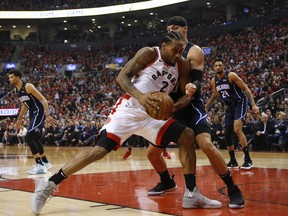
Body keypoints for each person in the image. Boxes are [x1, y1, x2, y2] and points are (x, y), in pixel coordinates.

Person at [30, 31, 222, 215]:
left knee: (186, 135)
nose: (178, 54)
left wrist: (174, 106)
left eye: (181, 50)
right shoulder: (150, 53)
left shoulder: (182, 65)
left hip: (153, 116)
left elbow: (185, 98)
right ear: (164, 46)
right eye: (175, 49)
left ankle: (191, 193)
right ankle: (49, 184)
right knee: (98, 151)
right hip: (130, 109)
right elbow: (121, 77)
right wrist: (141, 97)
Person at [150, 16, 243, 209]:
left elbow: (198, 79)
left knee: (206, 145)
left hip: (191, 105)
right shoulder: (162, 51)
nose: (171, 30)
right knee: (152, 154)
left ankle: (233, 188)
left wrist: (194, 86)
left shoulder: (194, 50)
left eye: (175, 27)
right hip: (171, 108)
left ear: (185, 29)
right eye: (168, 28)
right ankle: (167, 181)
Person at [205, 58, 260, 169]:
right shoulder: (213, 80)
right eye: (216, 65)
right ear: (213, 68)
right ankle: (233, 161)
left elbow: (246, 88)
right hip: (229, 106)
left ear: (224, 66)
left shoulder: (231, 76)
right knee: (227, 133)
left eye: (220, 65)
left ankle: (248, 160)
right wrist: (207, 105)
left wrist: (253, 105)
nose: (218, 67)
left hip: (240, 102)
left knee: (237, 129)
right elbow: (216, 94)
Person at [8, 70, 56, 174]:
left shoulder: (28, 86)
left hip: (39, 111)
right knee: (34, 137)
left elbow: (43, 100)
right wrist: (19, 119)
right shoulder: (17, 90)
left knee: (29, 136)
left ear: (18, 77)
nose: (9, 79)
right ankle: (45, 162)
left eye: (11, 77)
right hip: (32, 112)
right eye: (9, 77)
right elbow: (25, 105)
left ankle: (39, 165)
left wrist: (47, 115)